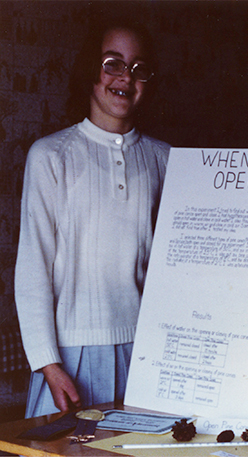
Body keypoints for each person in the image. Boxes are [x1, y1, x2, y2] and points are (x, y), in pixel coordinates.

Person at [15, 18, 170, 418]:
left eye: (139, 69)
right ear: (90, 71)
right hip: (69, 359)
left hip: (145, 354)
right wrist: (48, 364)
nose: (125, 78)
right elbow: (33, 271)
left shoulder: (165, 159)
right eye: (112, 63)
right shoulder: (51, 156)